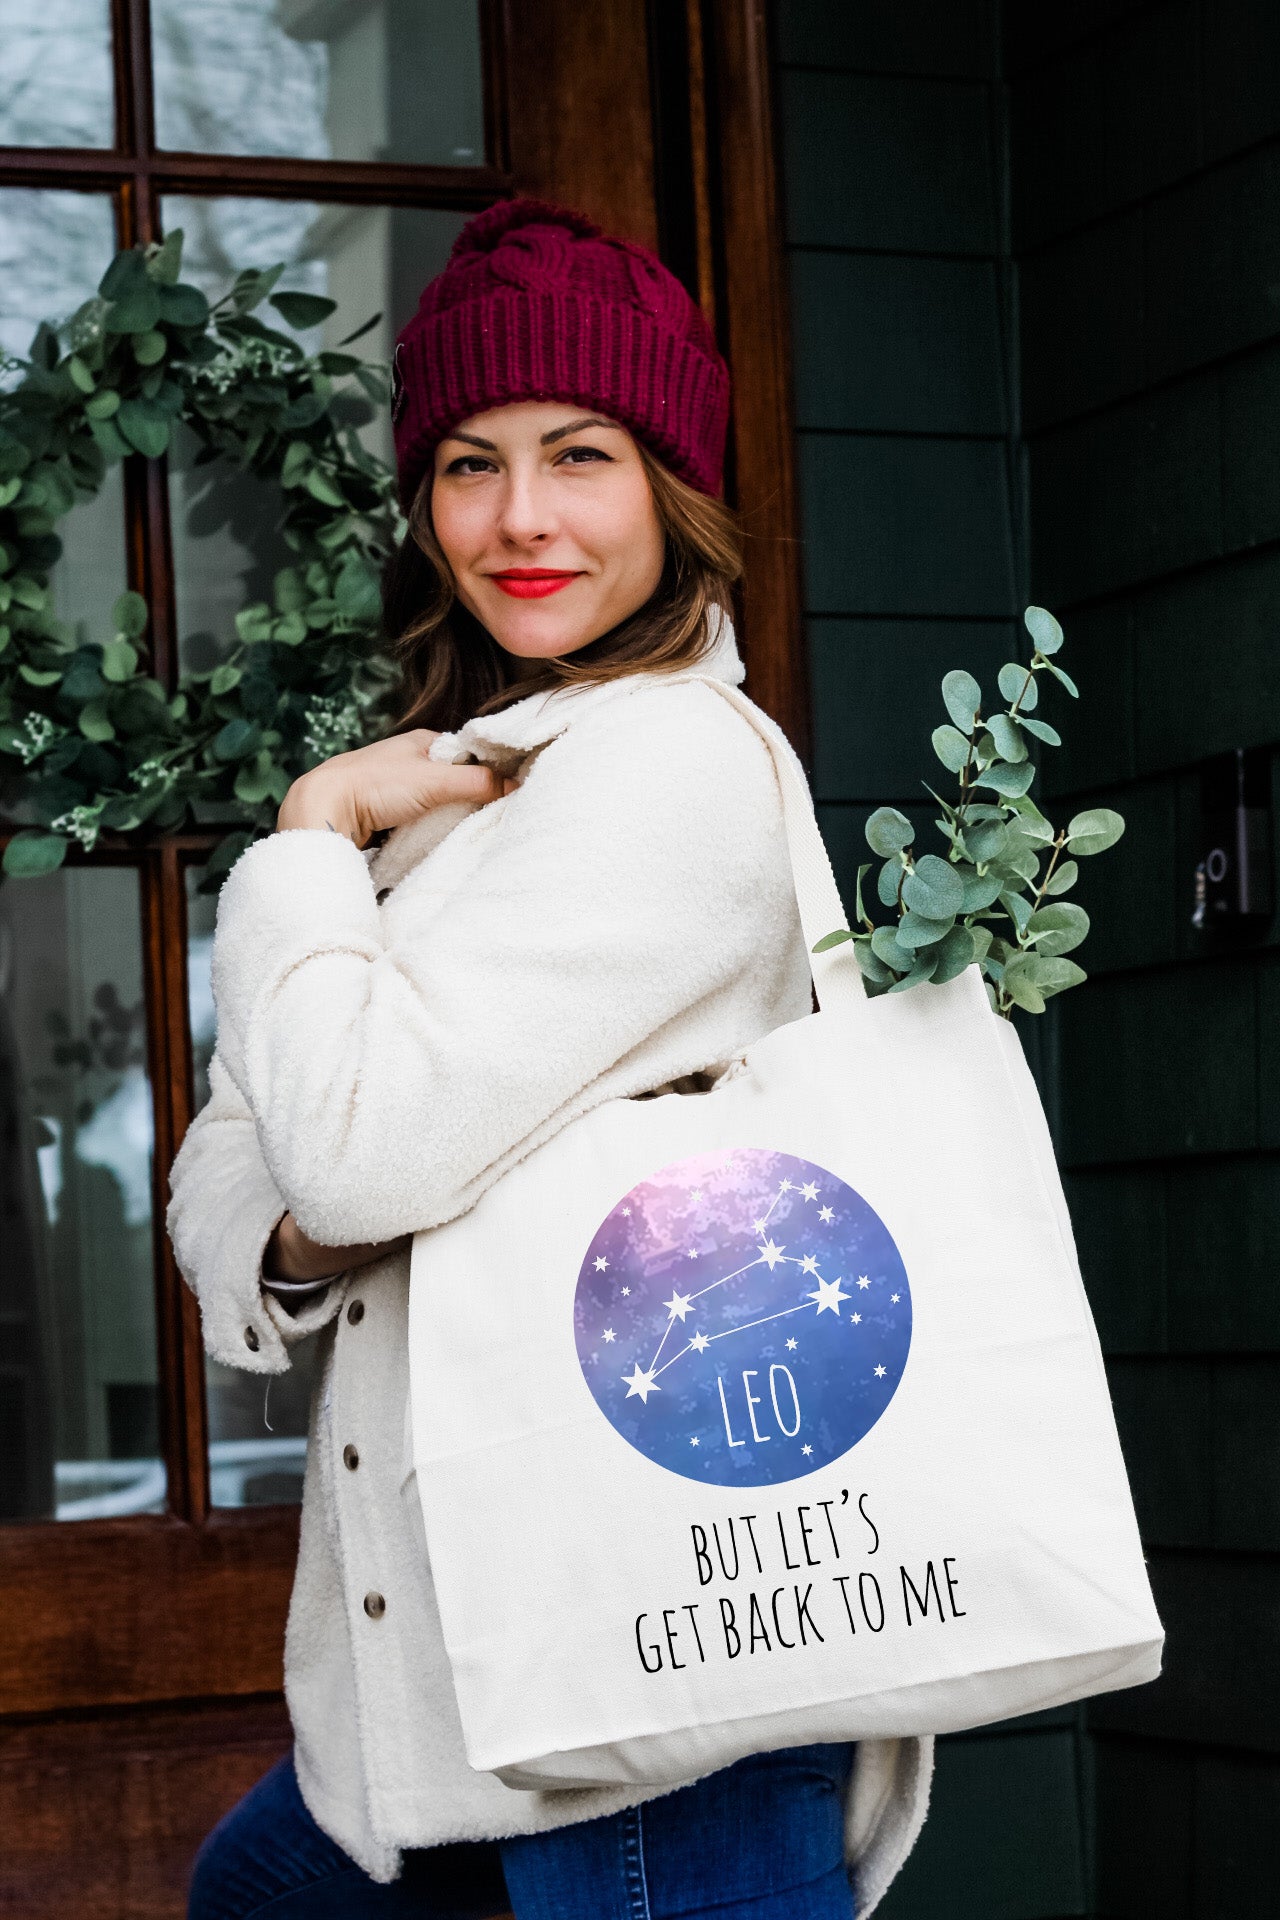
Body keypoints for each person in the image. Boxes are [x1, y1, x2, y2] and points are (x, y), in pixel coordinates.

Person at [171, 199, 932, 1920]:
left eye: (578, 454)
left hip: (648, 1678)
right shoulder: (465, 789)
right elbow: (238, 1172)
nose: (518, 519)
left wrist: (304, 836)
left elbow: (349, 1152)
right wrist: (311, 1204)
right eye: (466, 462)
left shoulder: (663, 767)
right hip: (449, 1684)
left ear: (672, 485)